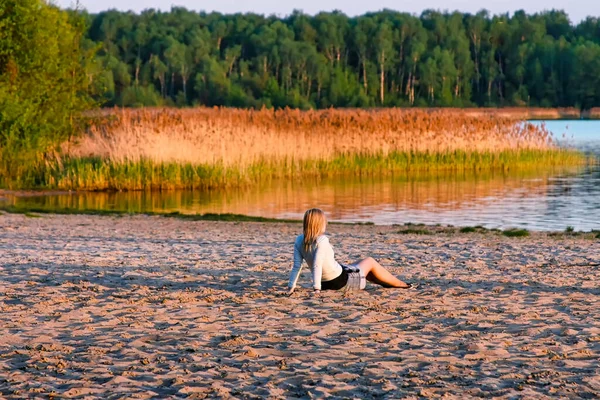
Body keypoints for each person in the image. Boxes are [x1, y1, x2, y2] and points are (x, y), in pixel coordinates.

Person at [287, 208, 411, 294]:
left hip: (326, 283)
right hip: (341, 283)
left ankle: (387, 283)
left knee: (357, 264)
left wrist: (291, 287)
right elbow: (317, 264)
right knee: (370, 261)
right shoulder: (322, 240)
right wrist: (316, 289)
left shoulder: (299, 240)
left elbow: (297, 266)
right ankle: (401, 284)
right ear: (319, 224)